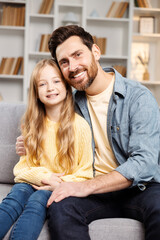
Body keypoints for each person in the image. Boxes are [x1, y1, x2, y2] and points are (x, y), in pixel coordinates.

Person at [16, 25, 160, 240]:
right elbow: (45, 128)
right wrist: (29, 141)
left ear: (95, 52)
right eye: (64, 62)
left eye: (77, 55)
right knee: (60, 207)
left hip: (140, 189)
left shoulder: (138, 97)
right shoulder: (67, 104)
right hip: (93, 194)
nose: (72, 66)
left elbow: (145, 162)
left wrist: (85, 186)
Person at [0, 58, 93, 240]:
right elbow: (21, 170)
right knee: (12, 201)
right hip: (31, 182)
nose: (50, 88)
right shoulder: (32, 125)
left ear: (67, 87)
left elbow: (86, 174)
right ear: (36, 93)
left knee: (37, 202)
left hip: (57, 187)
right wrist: (44, 176)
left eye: (56, 81)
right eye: (42, 84)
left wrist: (57, 182)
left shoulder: (80, 126)